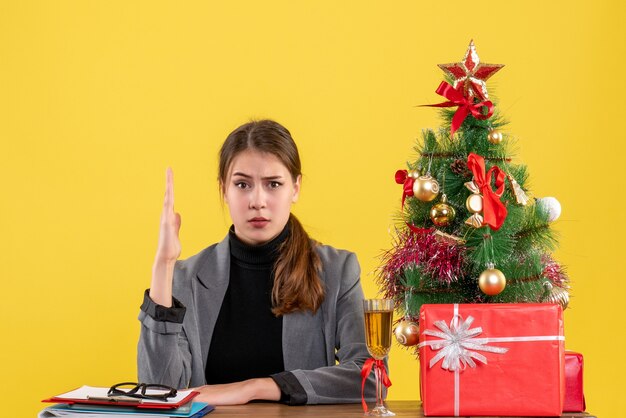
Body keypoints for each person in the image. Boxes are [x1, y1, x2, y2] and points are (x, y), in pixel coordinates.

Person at [137, 119, 380, 406]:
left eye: (273, 184)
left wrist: (256, 388)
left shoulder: (338, 270)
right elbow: (159, 391)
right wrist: (164, 266)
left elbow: (371, 378)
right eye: (242, 184)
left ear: (296, 188)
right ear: (224, 190)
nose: (258, 201)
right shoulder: (184, 277)